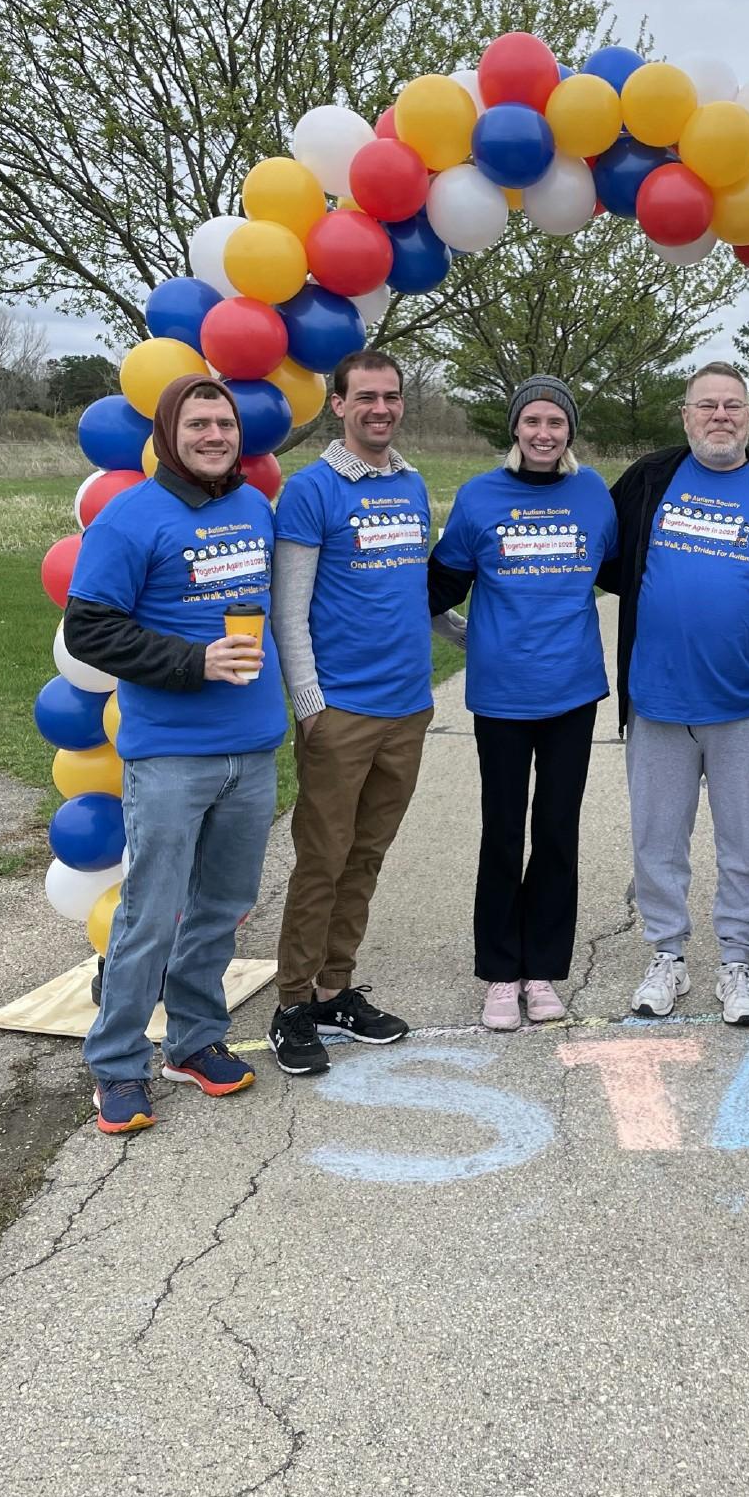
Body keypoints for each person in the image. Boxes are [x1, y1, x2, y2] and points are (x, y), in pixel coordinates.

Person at [65, 376, 285, 1136]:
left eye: (224, 423)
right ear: (167, 434)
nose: (215, 435)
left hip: (252, 750)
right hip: (171, 755)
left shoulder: (253, 505)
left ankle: (193, 1042)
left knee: (221, 911)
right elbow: (90, 631)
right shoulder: (130, 519)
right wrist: (194, 662)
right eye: (198, 424)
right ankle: (117, 1064)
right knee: (150, 914)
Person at [601, 361, 749, 1026]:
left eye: (733, 405)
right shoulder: (649, 479)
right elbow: (601, 556)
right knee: (657, 843)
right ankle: (666, 957)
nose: (720, 417)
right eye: (707, 406)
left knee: (746, 846)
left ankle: (737, 961)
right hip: (658, 703)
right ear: (685, 415)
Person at [268, 348, 463, 1078]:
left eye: (391, 396)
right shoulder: (311, 491)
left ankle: (334, 989)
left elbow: (412, 591)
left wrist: (462, 634)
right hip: (340, 713)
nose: (380, 408)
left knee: (367, 858)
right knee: (321, 859)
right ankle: (292, 1004)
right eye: (366, 397)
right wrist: (311, 706)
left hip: (408, 709)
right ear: (339, 405)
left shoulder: (411, 484)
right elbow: (290, 612)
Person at [428, 376, 617, 1030]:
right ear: (515, 427)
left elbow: (623, 570)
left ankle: (543, 973)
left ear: (569, 431)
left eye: (556, 423)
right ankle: (500, 975)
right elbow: (438, 585)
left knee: (557, 834)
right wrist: (462, 636)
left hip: (573, 693)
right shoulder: (480, 497)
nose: (544, 433)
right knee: (504, 836)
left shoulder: (592, 493)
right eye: (532, 421)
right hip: (502, 698)